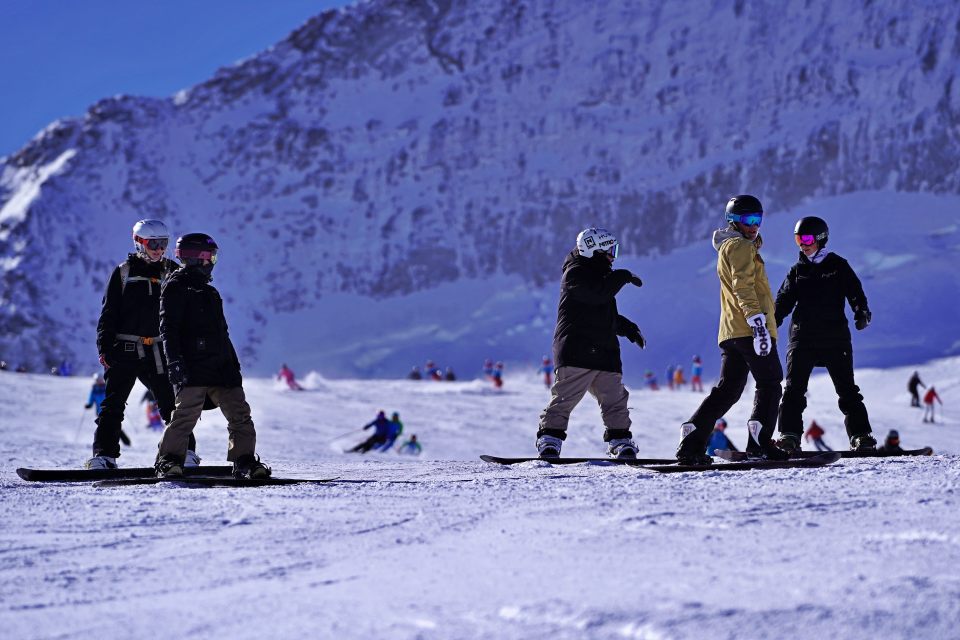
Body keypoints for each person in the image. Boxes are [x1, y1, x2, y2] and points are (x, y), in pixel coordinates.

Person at [676, 195, 786, 465]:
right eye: (748, 220)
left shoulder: (731, 246)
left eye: (758, 219)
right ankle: (759, 445)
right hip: (749, 329)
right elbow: (742, 285)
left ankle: (692, 438)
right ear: (733, 221)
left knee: (729, 389)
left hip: (732, 332)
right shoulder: (739, 246)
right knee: (770, 383)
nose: (754, 226)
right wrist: (757, 320)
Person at [154, 233, 269, 479]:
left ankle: (244, 461)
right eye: (210, 256)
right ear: (197, 258)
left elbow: (222, 334)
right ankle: (169, 460)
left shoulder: (210, 292)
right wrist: (173, 361)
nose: (213, 261)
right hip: (193, 367)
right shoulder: (175, 287)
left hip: (222, 367)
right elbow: (168, 329)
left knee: (240, 414)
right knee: (185, 416)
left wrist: (233, 364)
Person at [89, 220, 200, 470]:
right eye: (154, 244)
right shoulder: (123, 272)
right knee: (112, 404)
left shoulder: (173, 272)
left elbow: (185, 314)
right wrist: (104, 347)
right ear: (139, 242)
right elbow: (109, 313)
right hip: (124, 350)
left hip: (160, 351)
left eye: (164, 244)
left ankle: (184, 452)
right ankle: (104, 456)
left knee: (172, 404)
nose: (159, 249)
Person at [536, 227, 645, 459]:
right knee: (565, 398)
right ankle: (550, 440)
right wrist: (622, 276)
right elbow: (596, 295)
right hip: (577, 349)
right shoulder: (574, 274)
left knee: (615, 399)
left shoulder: (599, 277)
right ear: (595, 250)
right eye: (610, 250)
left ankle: (621, 441)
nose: (613, 256)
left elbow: (600, 311)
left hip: (604, 351)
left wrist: (627, 328)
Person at [774, 216, 877, 453]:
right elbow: (783, 301)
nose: (802, 243)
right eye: (798, 238)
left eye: (807, 238)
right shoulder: (797, 271)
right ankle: (789, 436)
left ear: (820, 238)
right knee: (793, 390)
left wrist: (861, 311)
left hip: (834, 337)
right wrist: (772, 323)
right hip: (803, 337)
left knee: (847, 390)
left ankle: (861, 436)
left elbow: (855, 291)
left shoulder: (837, 265)